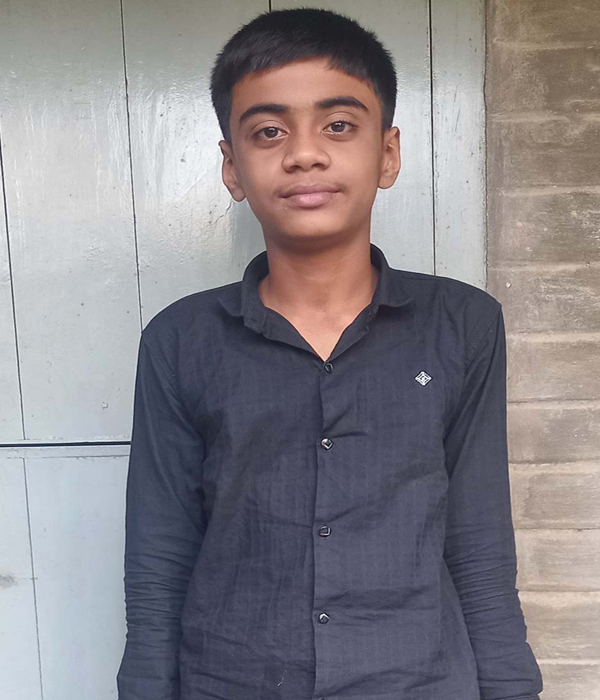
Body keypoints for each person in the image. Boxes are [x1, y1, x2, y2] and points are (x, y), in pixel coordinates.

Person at [116, 8, 543, 700]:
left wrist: (511, 686)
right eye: (269, 131)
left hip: (418, 680)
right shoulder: (180, 340)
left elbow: (479, 537)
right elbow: (159, 552)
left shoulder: (462, 325)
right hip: (234, 678)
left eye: (339, 125)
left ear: (388, 154)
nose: (304, 154)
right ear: (232, 167)